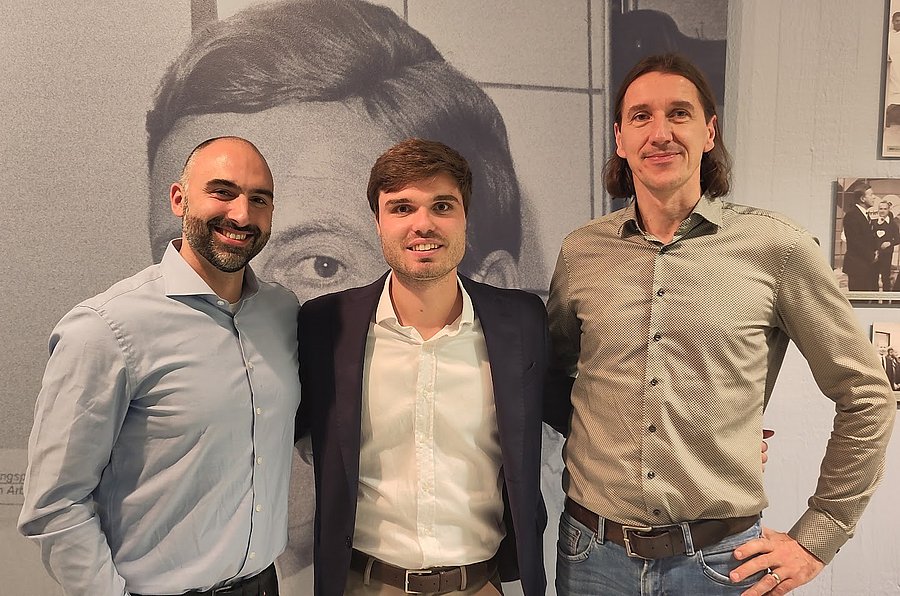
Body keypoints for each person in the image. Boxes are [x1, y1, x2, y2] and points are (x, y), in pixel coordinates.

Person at [546, 54, 895, 596]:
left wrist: (818, 536)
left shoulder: (776, 249)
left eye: (679, 113)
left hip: (720, 566)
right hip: (592, 557)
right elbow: (556, 377)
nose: (660, 133)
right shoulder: (582, 252)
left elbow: (868, 394)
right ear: (620, 139)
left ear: (709, 132)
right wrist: (640, 432)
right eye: (641, 117)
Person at [18, 137, 301, 596]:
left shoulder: (282, 313)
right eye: (223, 192)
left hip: (265, 584)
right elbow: (55, 504)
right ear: (178, 199)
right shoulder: (106, 328)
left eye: (259, 199)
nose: (242, 215)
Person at [296, 139, 548, 595]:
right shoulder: (325, 325)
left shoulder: (522, 322)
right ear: (377, 221)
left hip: (480, 585)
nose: (423, 224)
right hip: (366, 585)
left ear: (465, 218)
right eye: (402, 207)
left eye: (442, 206)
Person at [840, 180, 879, 292]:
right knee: (860, 299)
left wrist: (876, 251)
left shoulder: (865, 215)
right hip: (858, 266)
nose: (874, 197)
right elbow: (855, 242)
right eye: (871, 194)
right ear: (862, 199)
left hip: (868, 266)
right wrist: (871, 256)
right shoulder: (852, 215)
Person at [873, 199, 900, 291]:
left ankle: (886, 296)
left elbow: (898, 239)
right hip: (875, 254)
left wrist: (889, 243)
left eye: (885, 209)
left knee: (885, 276)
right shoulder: (874, 223)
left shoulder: (893, 224)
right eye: (880, 209)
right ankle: (874, 297)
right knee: (873, 275)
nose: (882, 211)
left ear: (888, 210)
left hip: (887, 254)